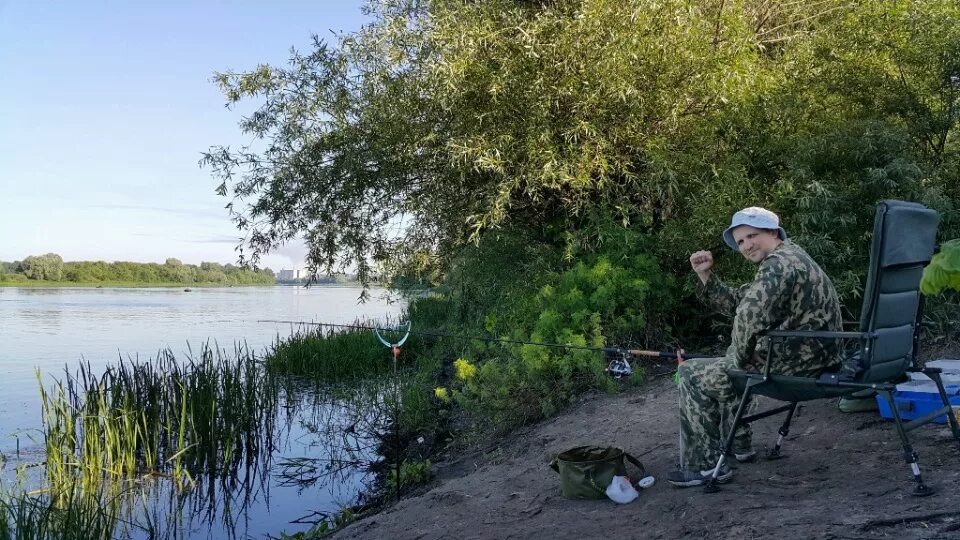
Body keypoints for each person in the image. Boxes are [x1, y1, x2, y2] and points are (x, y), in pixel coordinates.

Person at [666, 207, 843, 487]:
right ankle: (739, 445)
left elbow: (747, 318)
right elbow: (741, 300)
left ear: (772, 232)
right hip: (814, 357)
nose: (747, 245)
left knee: (691, 372)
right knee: (738, 358)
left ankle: (703, 467)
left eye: (752, 235)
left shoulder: (777, 265)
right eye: (740, 242)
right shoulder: (791, 256)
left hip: (799, 365)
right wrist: (705, 275)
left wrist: (734, 364)